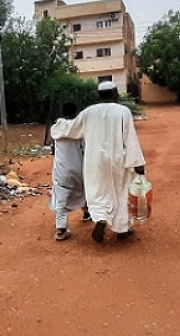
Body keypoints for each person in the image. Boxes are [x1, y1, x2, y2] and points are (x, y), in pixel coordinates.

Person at [51, 81, 146, 243]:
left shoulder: (89, 112)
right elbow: (130, 138)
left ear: (98, 95)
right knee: (120, 192)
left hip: (94, 161)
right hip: (117, 160)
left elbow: (71, 128)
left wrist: (57, 126)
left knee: (97, 191)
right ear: (115, 93)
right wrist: (137, 162)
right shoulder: (123, 111)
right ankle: (122, 229)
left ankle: (101, 218)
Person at [48, 102, 89, 241]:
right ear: (76, 112)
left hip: (61, 168)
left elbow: (53, 146)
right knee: (82, 190)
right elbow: (85, 149)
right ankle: (87, 213)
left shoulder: (55, 128)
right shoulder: (79, 129)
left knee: (61, 197)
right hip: (78, 167)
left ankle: (61, 229)